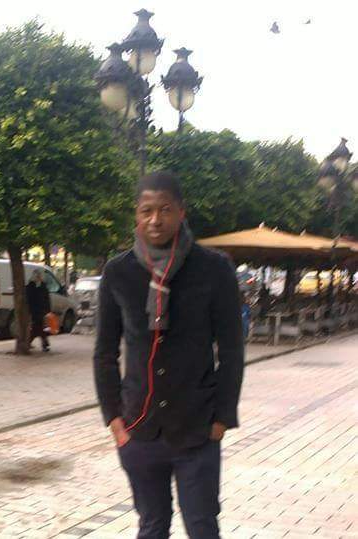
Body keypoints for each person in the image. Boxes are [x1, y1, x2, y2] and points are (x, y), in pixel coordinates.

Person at [93, 171, 244, 539]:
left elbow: (231, 350)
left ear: (181, 212)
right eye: (146, 211)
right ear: (136, 214)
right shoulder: (118, 272)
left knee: (202, 528)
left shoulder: (214, 269)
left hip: (197, 430)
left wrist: (221, 419)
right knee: (152, 527)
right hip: (139, 430)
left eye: (164, 210)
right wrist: (115, 420)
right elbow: (104, 353)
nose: (155, 220)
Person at [26, 269, 51, 352]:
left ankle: (30, 343)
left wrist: (48, 310)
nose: (38, 277)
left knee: (38, 327)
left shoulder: (43, 286)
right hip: (35, 310)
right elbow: (29, 299)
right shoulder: (31, 286)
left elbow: (46, 299)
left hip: (41, 310)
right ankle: (44, 344)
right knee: (38, 327)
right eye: (37, 276)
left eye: (39, 275)